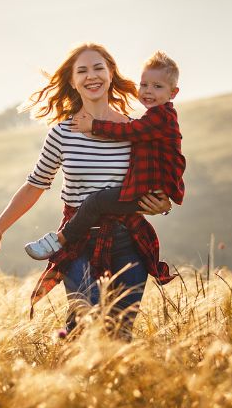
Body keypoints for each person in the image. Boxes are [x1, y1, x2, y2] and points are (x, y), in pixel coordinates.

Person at [0, 43, 173, 341]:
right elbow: (34, 185)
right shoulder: (62, 133)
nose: (91, 76)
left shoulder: (135, 130)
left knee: (119, 336)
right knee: (86, 325)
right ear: (72, 81)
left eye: (98, 68)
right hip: (78, 241)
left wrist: (163, 204)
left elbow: (156, 180)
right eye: (82, 71)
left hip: (128, 241)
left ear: (110, 73)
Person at [24, 51, 186, 260]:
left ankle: (59, 240)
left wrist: (94, 126)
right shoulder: (150, 120)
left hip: (130, 231)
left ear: (173, 93)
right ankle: (61, 240)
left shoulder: (155, 119)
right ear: (72, 81)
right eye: (144, 85)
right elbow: (34, 184)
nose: (148, 91)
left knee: (96, 202)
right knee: (95, 203)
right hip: (87, 240)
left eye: (157, 86)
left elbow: (129, 132)